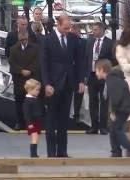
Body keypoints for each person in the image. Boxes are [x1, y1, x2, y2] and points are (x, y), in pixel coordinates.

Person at [40, 14, 85, 157]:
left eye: (69, 27)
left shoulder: (73, 39)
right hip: (53, 84)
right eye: (65, 28)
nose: (68, 30)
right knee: (51, 119)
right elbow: (44, 64)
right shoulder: (47, 40)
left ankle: (62, 151)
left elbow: (79, 61)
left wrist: (81, 81)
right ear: (58, 25)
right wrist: (46, 83)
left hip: (68, 84)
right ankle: (51, 152)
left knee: (64, 120)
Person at [95, 60, 130, 157]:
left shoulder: (112, 80)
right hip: (123, 106)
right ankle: (115, 151)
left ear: (102, 70)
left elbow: (116, 97)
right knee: (113, 128)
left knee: (116, 129)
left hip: (123, 107)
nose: (96, 73)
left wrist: (113, 111)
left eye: (96, 71)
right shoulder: (111, 79)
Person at [85, 22, 114, 135]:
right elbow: (86, 58)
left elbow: (113, 59)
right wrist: (85, 74)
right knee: (92, 101)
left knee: (104, 101)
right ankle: (93, 126)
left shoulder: (109, 43)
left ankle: (103, 127)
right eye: (93, 29)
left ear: (102, 30)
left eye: (96, 29)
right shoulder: (90, 42)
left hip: (103, 75)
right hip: (92, 75)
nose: (94, 31)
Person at [9, 31, 38, 130]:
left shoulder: (35, 48)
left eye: (25, 39)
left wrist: (30, 70)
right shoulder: (13, 49)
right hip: (19, 80)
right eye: (21, 39)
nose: (23, 41)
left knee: (31, 104)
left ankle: (30, 124)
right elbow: (12, 63)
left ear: (28, 37)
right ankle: (18, 122)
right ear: (18, 38)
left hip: (31, 80)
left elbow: (37, 62)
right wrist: (21, 71)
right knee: (19, 103)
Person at [23, 79, 44, 158]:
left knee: (36, 137)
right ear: (29, 90)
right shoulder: (28, 101)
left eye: (38, 90)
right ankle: (33, 153)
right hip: (32, 122)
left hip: (37, 121)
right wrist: (29, 123)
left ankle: (34, 152)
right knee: (34, 136)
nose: (38, 92)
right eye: (36, 90)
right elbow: (27, 114)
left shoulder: (35, 99)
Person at [70, 23, 87, 123]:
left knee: (78, 95)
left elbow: (85, 58)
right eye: (72, 31)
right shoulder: (67, 41)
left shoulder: (84, 42)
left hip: (79, 71)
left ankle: (76, 114)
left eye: (75, 31)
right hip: (69, 71)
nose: (74, 33)